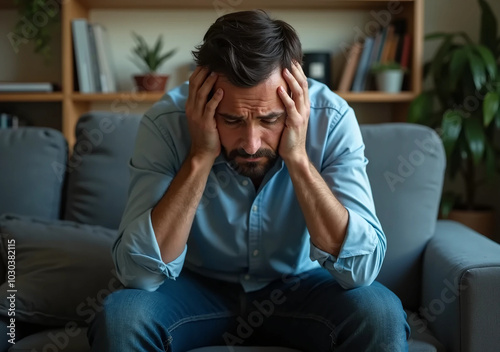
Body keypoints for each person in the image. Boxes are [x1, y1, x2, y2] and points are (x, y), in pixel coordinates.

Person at [88, 9, 410, 352]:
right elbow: (138, 274)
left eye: (270, 119)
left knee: (380, 314)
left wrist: (298, 158)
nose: (252, 143)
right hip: (195, 288)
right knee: (122, 318)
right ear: (205, 95)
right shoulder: (166, 123)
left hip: (301, 286)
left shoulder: (331, 119)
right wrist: (199, 156)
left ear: (295, 94)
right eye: (232, 119)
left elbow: (360, 271)